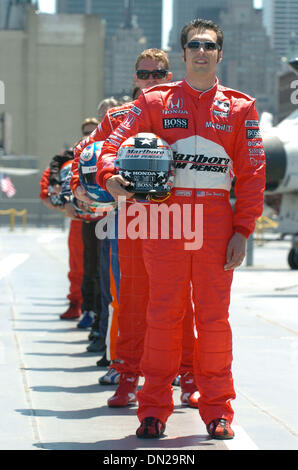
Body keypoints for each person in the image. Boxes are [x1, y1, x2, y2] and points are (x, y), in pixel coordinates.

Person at [96, 20, 266, 440]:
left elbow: (253, 175)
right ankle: (153, 408)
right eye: (194, 45)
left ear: (220, 54)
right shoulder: (154, 101)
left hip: (215, 223)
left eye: (209, 45)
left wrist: (243, 229)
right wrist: (108, 174)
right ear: (184, 53)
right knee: (163, 315)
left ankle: (217, 408)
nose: (201, 51)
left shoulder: (241, 107)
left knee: (213, 319)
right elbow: (113, 142)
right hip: (162, 219)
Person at [72, 48, 198, 406]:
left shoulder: (189, 111)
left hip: (179, 221)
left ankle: (188, 376)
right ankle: (128, 374)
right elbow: (85, 151)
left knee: (181, 304)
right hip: (132, 220)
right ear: (135, 79)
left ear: (170, 75)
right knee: (130, 302)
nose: (151, 80)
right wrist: (81, 185)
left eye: (159, 74)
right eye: (145, 74)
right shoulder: (118, 117)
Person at [39, 151, 84, 320]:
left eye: (92, 131)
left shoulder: (108, 152)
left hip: (107, 219)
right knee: (77, 267)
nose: (89, 135)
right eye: (86, 132)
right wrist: (58, 194)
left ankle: (94, 309)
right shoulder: (70, 158)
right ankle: (77, 304)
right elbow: (46, 192)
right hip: (80, 220)